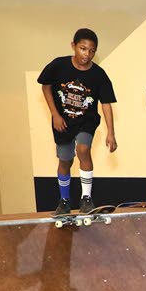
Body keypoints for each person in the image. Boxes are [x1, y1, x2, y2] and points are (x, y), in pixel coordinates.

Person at [38, 28, 118, 216]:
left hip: (86, 121)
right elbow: (46, 86)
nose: (87, 54)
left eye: (92, 51)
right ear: (73, 46)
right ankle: (64, 200)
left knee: (83, 149)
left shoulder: (99, 75)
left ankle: (86, 198)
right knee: (65, 160)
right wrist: (55, 114)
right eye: (83, 49)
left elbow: (106, 103)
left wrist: (111, 133)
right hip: (63, 121)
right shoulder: (58, 66)